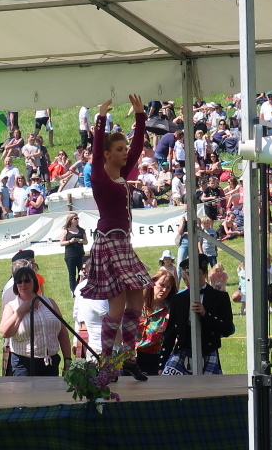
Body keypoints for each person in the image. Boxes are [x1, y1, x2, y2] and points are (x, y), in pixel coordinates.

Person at [79, 94, 153, 381]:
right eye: (119, 149)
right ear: (108, 154)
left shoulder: (122, 172)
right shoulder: (99, 176)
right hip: (109, 243)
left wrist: (139, 116)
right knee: (118, 306)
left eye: (125, 149)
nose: (125, 153)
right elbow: (96, 153)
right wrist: (100, 120)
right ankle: (108, 364)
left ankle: (128, 357)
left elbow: (136, 147)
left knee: (136, 302)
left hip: (124, 243)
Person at [160, 254, 234, 375]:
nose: (191, 278)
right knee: (168, 385)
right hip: (183, 350)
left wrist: (205, 314)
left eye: (196, 273)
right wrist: (162, 363)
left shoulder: (220, 297)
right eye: (188, 274)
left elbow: (226, 329)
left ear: (205, 274)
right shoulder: (178, 299)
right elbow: (171, 331)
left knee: (210, 393)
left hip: (208, 350)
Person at [0, 267, 72, 376]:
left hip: (51, 363)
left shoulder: (50, 303)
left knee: (51, 393)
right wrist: (21, 310)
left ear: (34, 281)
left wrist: (68, 360)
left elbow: (62, 333)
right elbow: (5, 332)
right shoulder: (11, 306)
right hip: (23, 365)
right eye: (19, 281)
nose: (23, 284)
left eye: (27, 280)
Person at [136, 269, 177, 375]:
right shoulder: (137, 304)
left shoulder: (170, 310)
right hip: (132, 358)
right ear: (152, 283)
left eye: (168, 287)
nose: (164, 290)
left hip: (156, 361)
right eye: (161, 285)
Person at [59, 213, 88, 297]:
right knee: (72, 274)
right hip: (70, 255)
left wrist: (82, 241)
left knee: (81, 272)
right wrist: (69, 241)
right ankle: (73, 290)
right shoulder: (66, 231)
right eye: (75, 218)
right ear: (70, 220)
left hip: (80, 254)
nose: (77, 220)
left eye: (78, 218)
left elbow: (86, 242)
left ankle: (79, 288)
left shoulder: (81, 230)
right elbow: (61, 243)